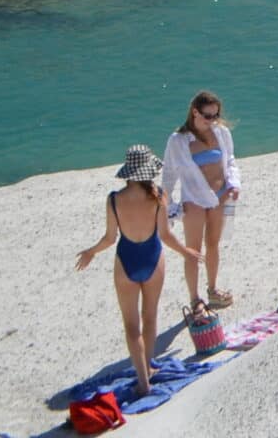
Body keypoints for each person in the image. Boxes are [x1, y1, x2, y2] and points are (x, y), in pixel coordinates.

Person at [75, 146, 198, 400]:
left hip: (126, 261)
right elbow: (165, 235)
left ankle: (143, 380)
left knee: (131, 325)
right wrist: (186, 252)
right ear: (149, 170)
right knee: (150, 316)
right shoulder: (158, 196)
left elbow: (110, 238)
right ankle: (150, 364)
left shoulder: (114, 199)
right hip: (154, 259)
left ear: (128, 172)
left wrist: (91, 252)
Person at [161, 92, 241, 310]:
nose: (212, 120)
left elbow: (231, 159)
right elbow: (169, 173)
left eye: (215, 115)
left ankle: (213, 289)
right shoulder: (178, 140)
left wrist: (234, 183)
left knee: (213, 244)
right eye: (207, 116)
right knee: (192, 251)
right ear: (194, 112)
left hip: (220, 196)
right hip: (194, 200)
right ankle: (194, 298)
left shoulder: (221, 132)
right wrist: (166, 204)